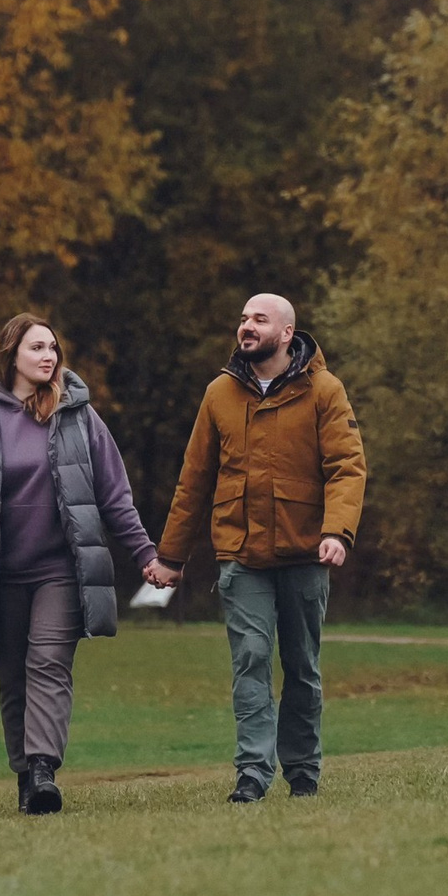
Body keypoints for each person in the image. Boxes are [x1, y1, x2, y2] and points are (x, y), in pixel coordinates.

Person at [0, 314, 170, 816]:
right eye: (36, 348)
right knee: (12, 675)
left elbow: (115, 496)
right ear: (12, 355)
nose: (48, 356)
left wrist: (146, 555)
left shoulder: (78, 416)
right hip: (0, 574)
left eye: (52, 348)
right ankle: (25, 776)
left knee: (48, 664)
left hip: (60, 571)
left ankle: (44, 769)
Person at [153, 292, 365, 805]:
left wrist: (336, 532)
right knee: (250, 657)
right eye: (244, 318)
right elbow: (194, 480)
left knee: (302, 666)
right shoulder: (219, 394)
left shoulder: (325, 391)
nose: (246, 326)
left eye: (259, 320)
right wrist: (170, 556)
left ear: (287, 333)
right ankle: (252, 772)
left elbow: (347, 467)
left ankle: (303, 772)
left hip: (305, 555)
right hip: (241, 555)